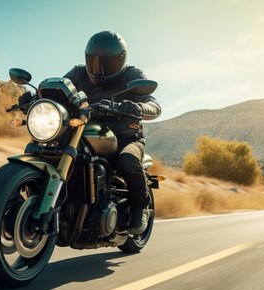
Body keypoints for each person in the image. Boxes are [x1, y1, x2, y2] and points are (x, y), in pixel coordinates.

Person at [21, 31, 161, 234]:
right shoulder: (78, 73)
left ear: (121, 59)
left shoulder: (132, 75)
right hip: (83, 130)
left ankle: (141, 207)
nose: (99, 68)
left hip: (125, 137)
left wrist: (138, 108)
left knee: (128, 161)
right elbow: (59, 91)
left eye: (107, 62)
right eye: (94, 61)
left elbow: (154, 105)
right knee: (45, 149)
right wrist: (34, 97)